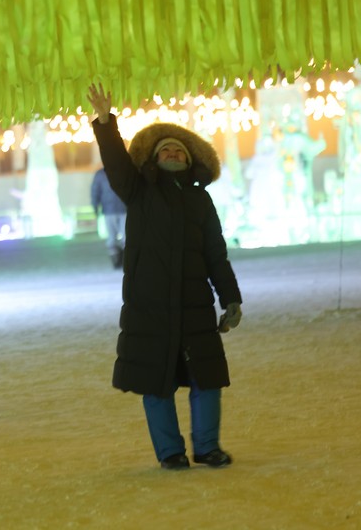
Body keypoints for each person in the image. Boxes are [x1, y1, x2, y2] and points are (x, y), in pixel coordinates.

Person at [87, 84, 243, 470]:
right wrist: (106, 124)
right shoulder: (138, 191)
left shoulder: (200, 200)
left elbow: (215, 255)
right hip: (150, 307)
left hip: (194, 307)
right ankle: (170, 451)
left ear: (190, 161)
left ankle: (207, 446)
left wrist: (231, 298)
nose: (172, 153)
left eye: (179, 150)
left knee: (206, 380)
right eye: (165, 150)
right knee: (156, 381)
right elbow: (116, 163)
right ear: (155, 159)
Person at [91, 167, 127, 268]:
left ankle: (117, 259)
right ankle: (123, 259)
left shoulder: (100, 174)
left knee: (113, 237)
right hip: (121, 208)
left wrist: (95, 206)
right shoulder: (122, 171)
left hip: (110, 209)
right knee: (124, 236)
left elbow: (95, 190)